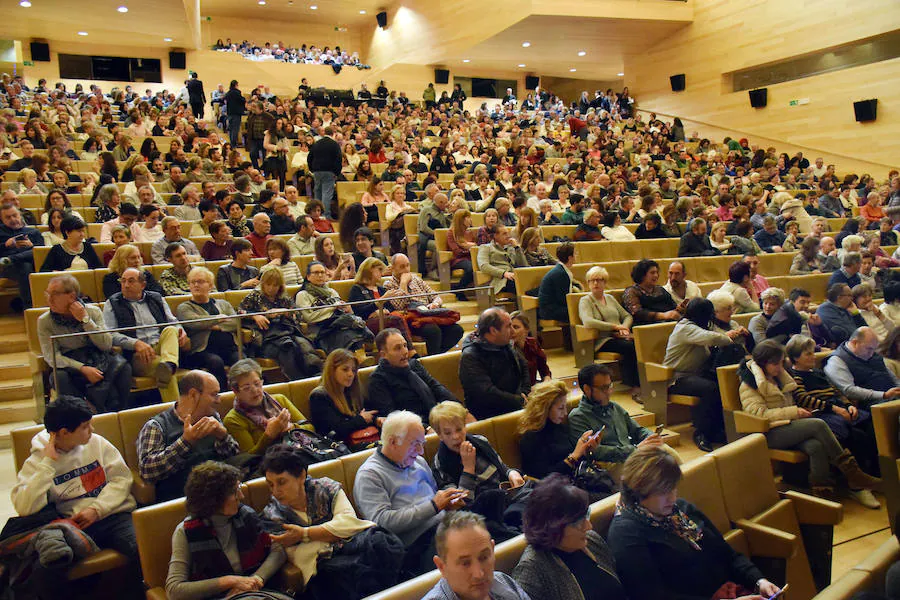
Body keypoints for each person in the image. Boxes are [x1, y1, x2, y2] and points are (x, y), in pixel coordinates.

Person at [607, 445, 781, 600]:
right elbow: (652, 596)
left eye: (673, 489)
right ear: (639, 490)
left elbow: (727, 554)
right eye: (663, 492)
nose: (673, 498)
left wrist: (759, 581)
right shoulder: (626, 533)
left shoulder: (681, 510)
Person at [11, 395, 142, 600]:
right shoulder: (38, 460)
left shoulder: (97, 443)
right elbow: (24, 507)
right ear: (64, 432)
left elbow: (121, 480)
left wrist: (97, 509)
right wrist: (47, 465)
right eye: (85, 427)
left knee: (141, 548)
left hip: (111, 515)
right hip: (72, 524)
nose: (92, 431)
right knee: (46, 570)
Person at [738, 340, 881, 498]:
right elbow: (759, 414)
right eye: (775, 364)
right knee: (818, 424)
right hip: (768, 432)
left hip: (787, 426)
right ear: (763, 363)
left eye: (780, 363)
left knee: (815, 446)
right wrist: (794, 412)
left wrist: (800, 411)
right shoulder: (749, 385)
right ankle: (853, 473)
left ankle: (822, 492)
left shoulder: (778, 377)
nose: (779, 368)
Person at [259, 445, 404, 598]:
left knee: (384, 542)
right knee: (339, 575)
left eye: (281, 482)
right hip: (325, 565)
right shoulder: (272, 515)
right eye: (270, 484)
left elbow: (348, 521)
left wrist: (304, 534)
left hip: (355, 545)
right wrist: (334, 533)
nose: (275, 491)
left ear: (301, 475)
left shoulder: (325, 487)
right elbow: (296, 554)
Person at [353, 410, 469, 577]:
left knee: (488, 519)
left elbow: (434, 498)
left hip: (446, 527)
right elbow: (382, 523)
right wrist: (434, 506)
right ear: (393, 441)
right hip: (416, 546)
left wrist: (448, 504)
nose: (421, 451)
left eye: (422, 443)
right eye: (415, 444)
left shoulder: (418, 462)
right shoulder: (370, 475)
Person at [165, 461, 288, 600]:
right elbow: (174, 590)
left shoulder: (245, 515)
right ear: (214, 500)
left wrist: (255, 580)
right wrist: (230, 581)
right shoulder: (186, 532)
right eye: (235, 492)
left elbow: (278, 550)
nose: (241, 496)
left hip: (256, 593)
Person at [513, 474, 627, 600]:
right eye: (578, 523)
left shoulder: (591, 540)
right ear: (552, 528)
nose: (588, 526)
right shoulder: (532, 569)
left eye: (586, 516)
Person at [786, 335, 879, 488]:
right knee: (854, 434)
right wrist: (835, 409)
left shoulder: (817, 372)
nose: (813, 356)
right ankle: (857, 483)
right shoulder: (795, 377)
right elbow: (803, 399)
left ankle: (876, 471)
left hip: (837, 408)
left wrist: (848, 405)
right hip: (822, 412)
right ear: (795, 358)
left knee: (871, 423)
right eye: (808, 353)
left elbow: (836, 391)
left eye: (812, 352)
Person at [137, 371, 240, 502]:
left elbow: (233, 455)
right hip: (184, 500)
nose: (219, 400)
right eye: (214, 395)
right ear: (193, 394)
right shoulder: (156, 426)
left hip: (221, 493)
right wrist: (185, 442)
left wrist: (223, 436)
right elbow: (147, 471)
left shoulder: (213, 417)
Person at [429, 400, 529, 535]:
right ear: (439, 435)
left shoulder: (480, 441)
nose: (456, 437)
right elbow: (460, 504)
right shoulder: (439, 463)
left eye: (459, 429)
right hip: (482, 515)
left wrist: (512, 473)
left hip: (507, 496)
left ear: (465, 426)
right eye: (448, 433)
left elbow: (502, 468)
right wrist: (468, 469)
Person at [38, 275, 132, 412]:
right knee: (59, 377)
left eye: (54, 294)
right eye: (48, 293)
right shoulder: (44, 321)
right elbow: (51, 356)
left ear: (71, 296)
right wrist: (82, 368)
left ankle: (118, 414)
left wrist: (85, 320)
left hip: (98, 357)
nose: (49, 298)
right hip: (69, 363)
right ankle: (81, 415)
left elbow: (106, 345)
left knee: (124, 368)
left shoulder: (93, 312)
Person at [663, 298, 739, 451]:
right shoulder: (685, 327)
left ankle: (716, 430)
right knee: (710, 388)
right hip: (677, 378)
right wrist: (728, 337)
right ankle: (701, 433)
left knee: (723, 384)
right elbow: (712, 337)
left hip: (696, 374)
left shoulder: (699, 325)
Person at [102, 267, 187, 403]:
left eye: (131, 281)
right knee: (163, 371)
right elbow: (109, 334)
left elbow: (173, 322)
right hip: (138, 355)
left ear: (143, 285)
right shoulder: (112, 303)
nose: (126, 285)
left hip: (162, 348)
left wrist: (181, 332)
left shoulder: (157, 298)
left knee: (171, 329)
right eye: (123, 281)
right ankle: (176, 415)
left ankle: (170, 363)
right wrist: (135, 343)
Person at [568, 363, 667, 465]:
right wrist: (635, 450)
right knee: (657, 466)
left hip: (632, 455)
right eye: (604, 388)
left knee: (667, 452)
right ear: (587, 389)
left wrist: (650, 437)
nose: (609, 392)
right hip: (608, 465)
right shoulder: (577, 417)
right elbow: (595, 451)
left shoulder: (615, 407)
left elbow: (638, 430)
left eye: (610, 386)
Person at [423, 511, 531, 600]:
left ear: (492, 551)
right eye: (465, 563)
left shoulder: (504, 582)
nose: (479, 574)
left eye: (484, 558)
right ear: (442, 566)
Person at [238, 267, 322, 380]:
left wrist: (286, 313)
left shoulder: (284, 298)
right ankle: (298, 381)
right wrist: (255, 316)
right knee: (287, 348)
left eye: (275, 285)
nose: (271, 288)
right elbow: (239, 312)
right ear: (263, 284)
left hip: (288, 333)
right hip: (267, 339)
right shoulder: (254, 296)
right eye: (268, 284)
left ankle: (316, 376)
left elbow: (298, 316)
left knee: (304, 346)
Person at [517, 379, 603, 480]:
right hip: (552, 490)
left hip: (574, 482)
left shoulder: (559, 426)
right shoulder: (531, 437)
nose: (565, 413)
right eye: (561, 408)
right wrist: (573, 457)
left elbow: (574, 460)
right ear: (545, 408)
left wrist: (586, 450)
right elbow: (543, 477)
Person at [223, 359, 313, 455]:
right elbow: (249, 459)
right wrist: (269, 435)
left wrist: (292, 427)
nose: (255, 390)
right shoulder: (233, 420)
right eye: (246, 388)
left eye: (257, 384)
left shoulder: (280, 399)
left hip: (303, 451)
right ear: (235, 391)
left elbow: (310, 428)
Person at [577, 267, 640, 396]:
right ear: (588, 283)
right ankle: (636, 384)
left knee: (639, 344)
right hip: (602, 340)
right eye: (592, 280)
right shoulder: (585, 301)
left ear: (605, 282)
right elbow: (588, 321)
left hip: (619, 337)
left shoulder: (610, 298)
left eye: (599, 280)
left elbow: (627, 316)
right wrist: (615, 327)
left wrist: (625, 327)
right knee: (631, 347)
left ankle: (633, 381)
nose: (595, 283)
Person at [384, 253, 464, 355]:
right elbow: (399, 306)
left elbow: (436, 296)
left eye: (407, 265)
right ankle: (434, 359)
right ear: (393, 268)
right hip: (411, 318)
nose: (406, 270)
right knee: (433, 330)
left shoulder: (417, 279)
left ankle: (436, 356)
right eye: (402, 267)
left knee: (456, 330)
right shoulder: (388, 284)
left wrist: (435, 304)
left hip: (427, 313)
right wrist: (403, 284)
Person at [460, 308, 531, 420]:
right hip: (490, 415)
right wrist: (519, 400)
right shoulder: (471, 356)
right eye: (508, 326)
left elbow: (523, 367)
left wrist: (525, 392)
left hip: (515, 405)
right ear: (493, 331)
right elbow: (487, 394)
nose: (513, 331)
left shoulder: (504, 343)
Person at [176, 267, 240, 389]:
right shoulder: (184, 307)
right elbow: (195, 323)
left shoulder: (223, 304)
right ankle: (222, 396)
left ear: (210, 286)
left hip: (229, 348)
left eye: (200, 281)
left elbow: (235, 323)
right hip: (201, 351)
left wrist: (212, 326)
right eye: (192, 282)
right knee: (216, 362)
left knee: (241, 361)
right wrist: (218, 318)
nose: (195, 285)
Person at [295, 260, 374, 353]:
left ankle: (360, 355)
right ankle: (360, 357)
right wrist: (332, 307)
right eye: (316, 273)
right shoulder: (303, 295)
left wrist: (348, 309)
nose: (320, 275)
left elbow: (341, 310)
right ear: (308, 276)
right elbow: (309, 318)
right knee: (347, 332)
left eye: (322, 272)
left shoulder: (331, 291)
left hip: (339, 323)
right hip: (321, 330)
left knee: (350, 326)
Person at [309, 348, 381, 448]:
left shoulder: (352, 391)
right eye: (345, 369)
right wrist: (361, 420)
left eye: (353, 370)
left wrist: (376, 419)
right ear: (332, 370)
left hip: (362, 440)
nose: (351, 374)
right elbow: (335, 431)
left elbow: (369, 412)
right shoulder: (319, 396)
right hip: (339, 448)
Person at [824, 326, 900, 408]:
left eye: (873, 349)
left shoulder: (872, 353)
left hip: (891, 396)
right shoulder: (836, 360)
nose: (871, 354)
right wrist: (883, 395)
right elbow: (849, 390)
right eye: (869, 349)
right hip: (872, 403)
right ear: (854, 343)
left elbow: (889, 374)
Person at [0, 203, 43, 308]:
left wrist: (31, 246)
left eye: (15, 215)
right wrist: (5, 245)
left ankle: (11, 259)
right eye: (8, 217)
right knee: (25, 267)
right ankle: (29, 307)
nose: (13, 219)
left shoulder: (33, 232)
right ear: (2, 219)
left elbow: (42, 252)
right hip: (8, 268)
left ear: (20, 215)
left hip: (31, 261)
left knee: (34, 253)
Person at [621, 259, 683, 326]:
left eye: (657, 272)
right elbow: (637, 313)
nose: (656, 275)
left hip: (668, 323)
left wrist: (679, 309)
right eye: (652, 273)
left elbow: (672, 306)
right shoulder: (631, 291)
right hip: (646, 327)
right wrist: (664, 315)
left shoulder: (660, 290)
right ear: (642, 275)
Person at [477, 224, 528, 295]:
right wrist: (504, 273)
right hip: (502, 280)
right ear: (495, 236)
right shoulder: (486, 248)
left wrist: (517, 248)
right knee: (521, 286)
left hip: (515, 276)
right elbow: (484, 266)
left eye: (508, 233)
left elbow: (524, 265)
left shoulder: (511, 248)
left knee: (533, 282)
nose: (508, 236)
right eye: (504, 234)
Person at [537, 242, 581, 323]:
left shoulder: (561, 270)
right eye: (575, 253)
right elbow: (564, 299)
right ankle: (574, 334)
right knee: (579, 311)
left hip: (553, 307)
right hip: (549, 311)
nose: (577, 255)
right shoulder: (561, 273)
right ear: (570, 257)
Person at [308, 127, 343, 219]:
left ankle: (315, 215)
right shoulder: (334, 145)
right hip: (329, 171)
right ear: (333, 134)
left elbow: (309, 157)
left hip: (317, 171)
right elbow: (338, 159)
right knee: (326, 194)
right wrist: (337, 172)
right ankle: (325, 215)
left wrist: (312, 169)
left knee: (317, 192)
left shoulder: (317, 144)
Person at [510, 311, 551, 386]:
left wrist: (546, 379)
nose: (512, 331)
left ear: (526, 329)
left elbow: (544, 369)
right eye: (509, 327)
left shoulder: (532, 343)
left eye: (516, 327)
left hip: (532, 386)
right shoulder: (506, 348)